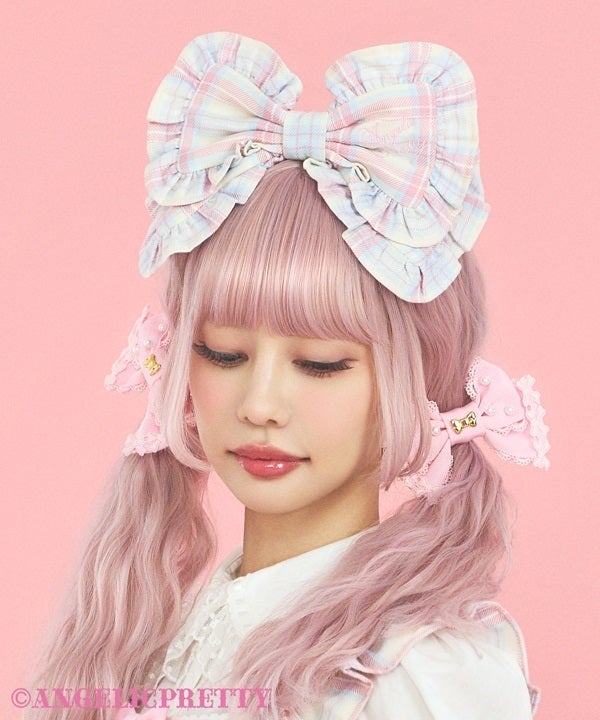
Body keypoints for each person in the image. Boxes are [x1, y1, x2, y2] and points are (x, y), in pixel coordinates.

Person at [27, 32, 549, 720]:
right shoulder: (160, 630)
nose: (260, 404)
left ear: (416, 383)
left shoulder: (421, 672)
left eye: (319, 364)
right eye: (223, 354)